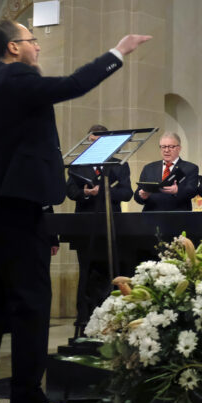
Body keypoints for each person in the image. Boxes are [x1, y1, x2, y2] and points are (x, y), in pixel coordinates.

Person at [0, 18, 150, 403]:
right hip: (12, 204)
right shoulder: (14, 76)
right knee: (30, 304)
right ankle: (26, 401)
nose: (37, 47)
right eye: (31, 40)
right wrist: (118, 52)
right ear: (12, 48)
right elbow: (70, 86)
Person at [65, 124, 134, 337]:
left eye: (99, 143)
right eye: (92, 142)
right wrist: (85, 192)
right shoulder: (79, 165)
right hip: (85, 226)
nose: (95, 146)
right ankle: (84, 319)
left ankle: (109, 318)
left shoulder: (118, 165)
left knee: (108, 272)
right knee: (85, 271)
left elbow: (126, 193)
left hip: (110, 225)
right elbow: (70, 191)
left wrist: (104, 191)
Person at [134, 132, 199, 211]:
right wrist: (142, 196)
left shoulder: (190, 168)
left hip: (178, 217)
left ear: (179, 148)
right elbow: (137, 196)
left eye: (171, 147)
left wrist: (177, 191)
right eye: (163, 147)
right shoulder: (149, 168)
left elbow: (192, 191)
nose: (166, 150)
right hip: (152, 216)